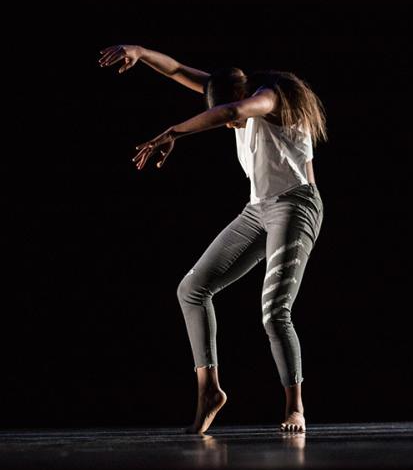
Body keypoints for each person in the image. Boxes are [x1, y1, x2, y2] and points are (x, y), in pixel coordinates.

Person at [99, 44, 327, 434]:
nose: (228, 128)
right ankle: (210, 392)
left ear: (242, 94)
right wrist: (139, 52)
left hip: (296, 205)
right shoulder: (233, 86)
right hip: (257, 209)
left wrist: (172, 132)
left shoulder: (271, 96)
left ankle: (295, 408)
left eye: (226, 117)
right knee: (191, 289)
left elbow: (233, 112)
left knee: (274, 311)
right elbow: (177, 70)